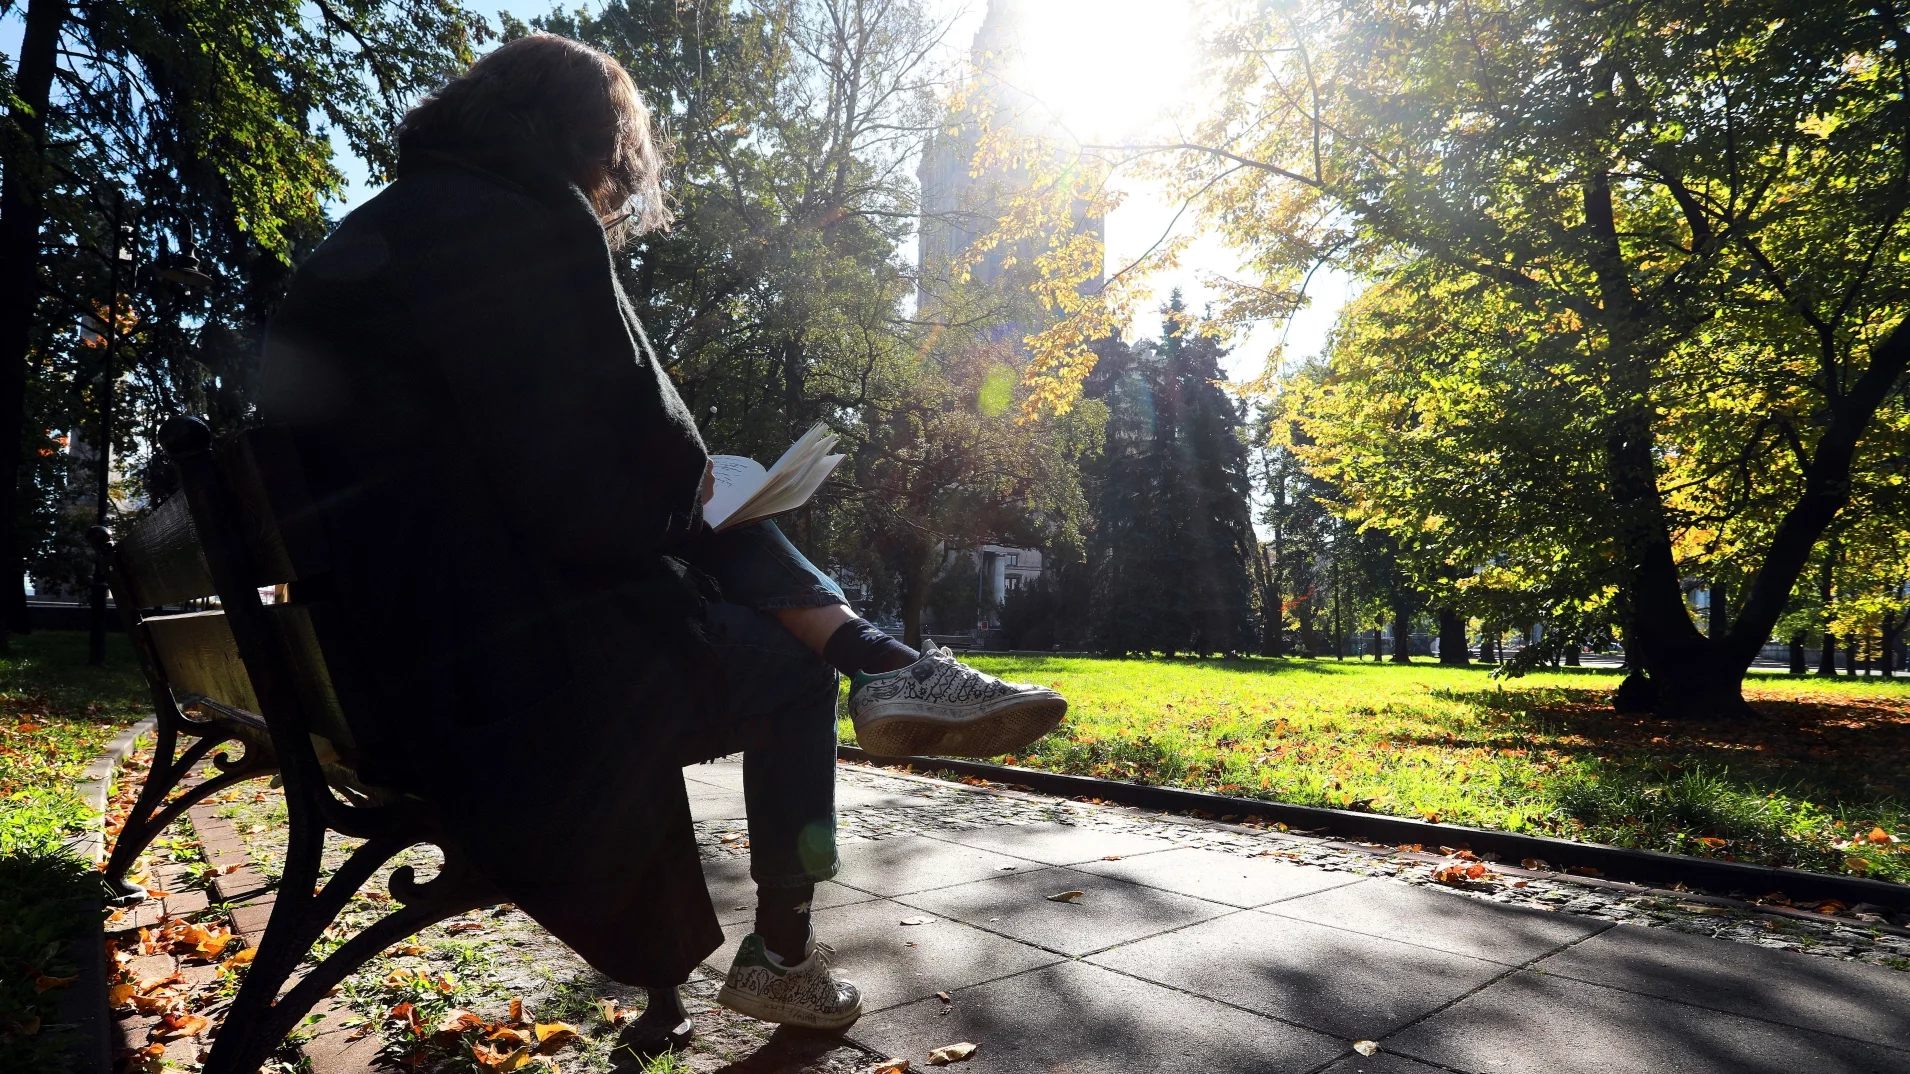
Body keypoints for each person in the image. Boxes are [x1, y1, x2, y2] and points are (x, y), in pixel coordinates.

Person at [259, 32, 1065, 1061]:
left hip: (378, 664)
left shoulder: (370, 236)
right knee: (783, 659)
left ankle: (879, 662)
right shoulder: (522, 226)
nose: (615, 174)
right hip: (494, 682)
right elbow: (587, 500)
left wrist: (683, 498)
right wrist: (691, 497)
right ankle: (798, 910)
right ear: (589, 139)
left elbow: (509, 469)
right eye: (615, 149)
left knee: (713, 524)